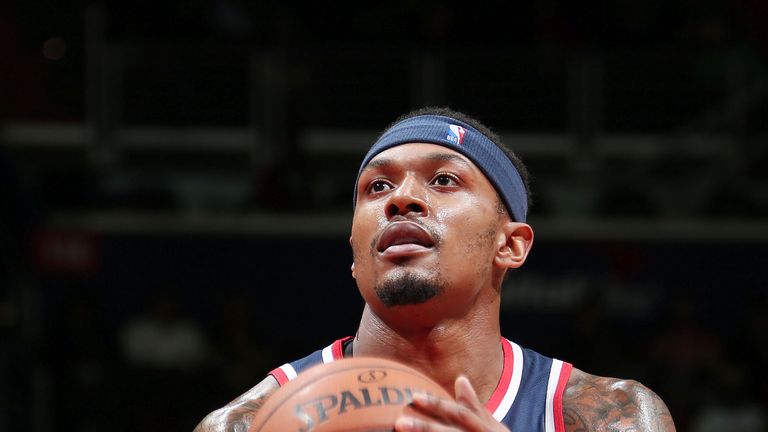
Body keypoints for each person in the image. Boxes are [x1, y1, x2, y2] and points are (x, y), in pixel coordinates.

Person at [194, 107, 676, 431]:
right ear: (356, 253)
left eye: (444, 180)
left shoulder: (610, 417)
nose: (401, 198)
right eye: (377, 187)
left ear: (510, 245)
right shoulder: (249, 424)